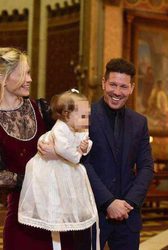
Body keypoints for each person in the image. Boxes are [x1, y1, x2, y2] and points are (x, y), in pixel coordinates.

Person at [81, 58, 154, 250]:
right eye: (112, 84)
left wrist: (128, 203)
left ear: (131, 88)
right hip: (92, 212)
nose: (117, 92)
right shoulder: (83, 116)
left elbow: (146, 167)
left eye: (123, 86)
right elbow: (82, 164)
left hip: (128, 216)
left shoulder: (140, 122)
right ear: (103, 83)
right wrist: (109, 202)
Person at [18, 90, 98, 249]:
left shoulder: (82, 127)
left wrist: (85, 147)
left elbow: (86, 142)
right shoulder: (60, 129)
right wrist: (77, 155)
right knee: (52, 200)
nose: (87, 120)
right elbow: (63, 150)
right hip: (48, 168)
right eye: (83, 116)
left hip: (65, 167)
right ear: (67, 115)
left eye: (88, 115)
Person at [0, 47, 54, 249]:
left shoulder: (42, 108)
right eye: (24, 74)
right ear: (4, 78)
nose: (30, 79)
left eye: (30, 72)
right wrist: (35, 180)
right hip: (21, 216)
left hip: (54, 211)